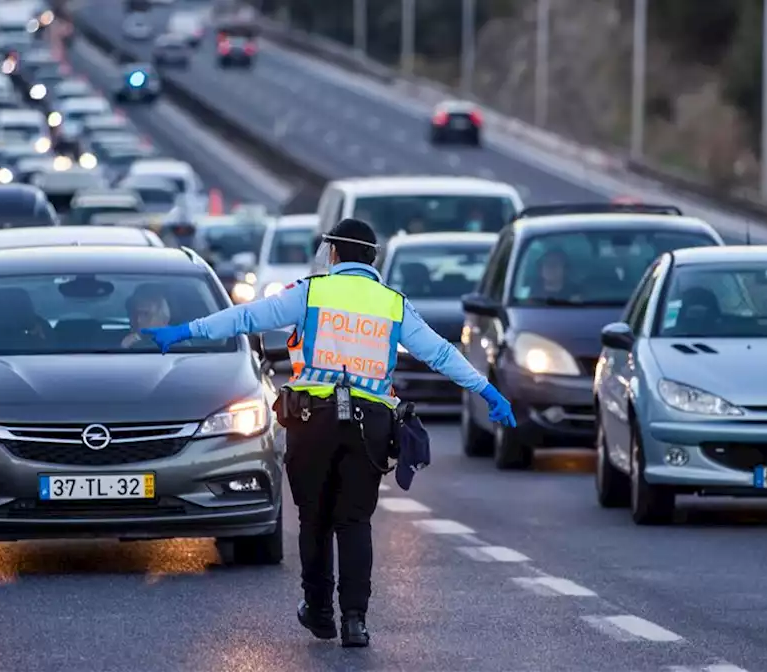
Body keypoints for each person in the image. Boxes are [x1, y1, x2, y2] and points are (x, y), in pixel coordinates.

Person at [141, 218, 516, 648]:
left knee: (314, 519)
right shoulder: (392, 304)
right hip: (370, 426)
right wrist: (487, 391)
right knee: (355, 521)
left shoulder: (310, 292)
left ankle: (319, 611)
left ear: (334, 253)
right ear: (371, 259)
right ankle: (355, 621)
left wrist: (185, 332)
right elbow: (441, 353)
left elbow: (246, 317)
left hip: (311, 420)